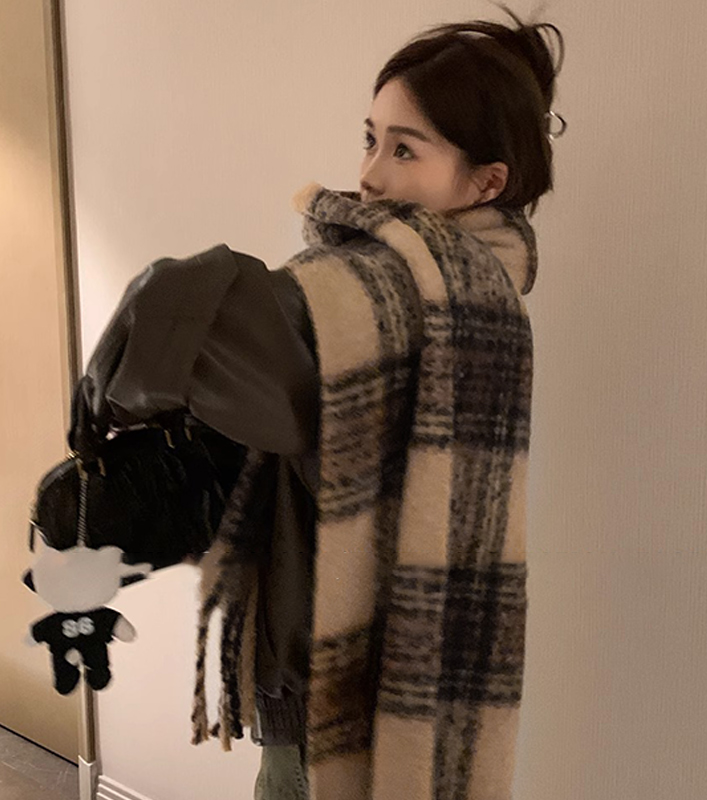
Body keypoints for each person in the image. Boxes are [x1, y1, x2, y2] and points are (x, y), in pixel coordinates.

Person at [65, 5, 564, 799]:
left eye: (405, 148)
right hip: (414, 684)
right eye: (370, 138)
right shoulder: (487, 299)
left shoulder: (400, 289)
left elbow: (223, 322)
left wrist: (123, 372)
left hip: (325, 691)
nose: (370, 174)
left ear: (486, 180)